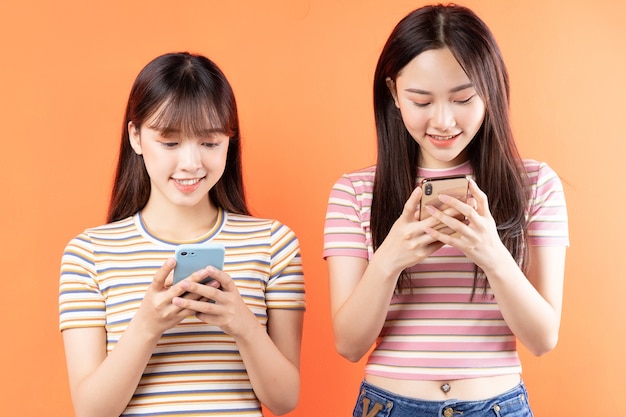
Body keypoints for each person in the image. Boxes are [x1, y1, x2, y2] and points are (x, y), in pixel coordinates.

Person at [323, 4, 568, 417]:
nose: (442, 120)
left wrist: (492, 254)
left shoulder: (535, 185)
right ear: (393, 94)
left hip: (497, 406)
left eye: (463, 98)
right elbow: (349, 345)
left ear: (489, 91)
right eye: (421, 100)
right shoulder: (355, 192)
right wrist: (390, 259)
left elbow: (543, 338)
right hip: (388, 405)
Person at [59, 52, 305, 417]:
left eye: (210, 143)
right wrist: (146, 326)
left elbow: (284, 401)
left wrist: (243, 326)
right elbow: (91, 411)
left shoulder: (274, 244)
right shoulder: (89, 254)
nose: (191, 163)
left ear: (229, 141)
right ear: (136, 137)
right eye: (170, 143)